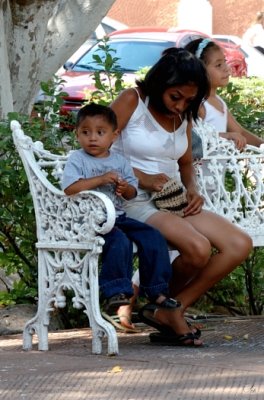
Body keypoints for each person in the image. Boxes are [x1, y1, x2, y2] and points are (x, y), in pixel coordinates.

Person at [110, 48, 253, 345]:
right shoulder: (132, 101)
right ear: (160, 83)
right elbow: (98, 152)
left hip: (173, 199)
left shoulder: (183, 115)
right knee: (198, 249)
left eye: (189, 100)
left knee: (239, 244)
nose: (181, 105)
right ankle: (168, 309)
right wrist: (142, 177)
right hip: (132, 198)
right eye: (175, 97)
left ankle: (170, 309)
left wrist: (193, 190)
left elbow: (185, 164)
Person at [61, 102, 180, 334]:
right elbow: (70, 188)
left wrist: (124, 188)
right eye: (85, 132)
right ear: (77, 134)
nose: (92, 138)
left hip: (117, 216)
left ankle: (156, 289)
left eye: (100, 132)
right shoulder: (78, 159)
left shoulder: (119, 162)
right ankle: (116, 292)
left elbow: (132, 192)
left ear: (114, 135)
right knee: (120, 241)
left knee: (153, 236)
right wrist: (100, 179)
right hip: (89, 220)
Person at [184, 38, 264, 151]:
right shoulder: (199, 104)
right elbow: (192, 139)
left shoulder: (218, 101)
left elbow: (239, 132)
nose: (226, 68)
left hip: (218, 168)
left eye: (225, 61)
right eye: (218, 65)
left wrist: (262, 144)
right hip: (199, 168)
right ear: (199, 70)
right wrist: (226, 136)